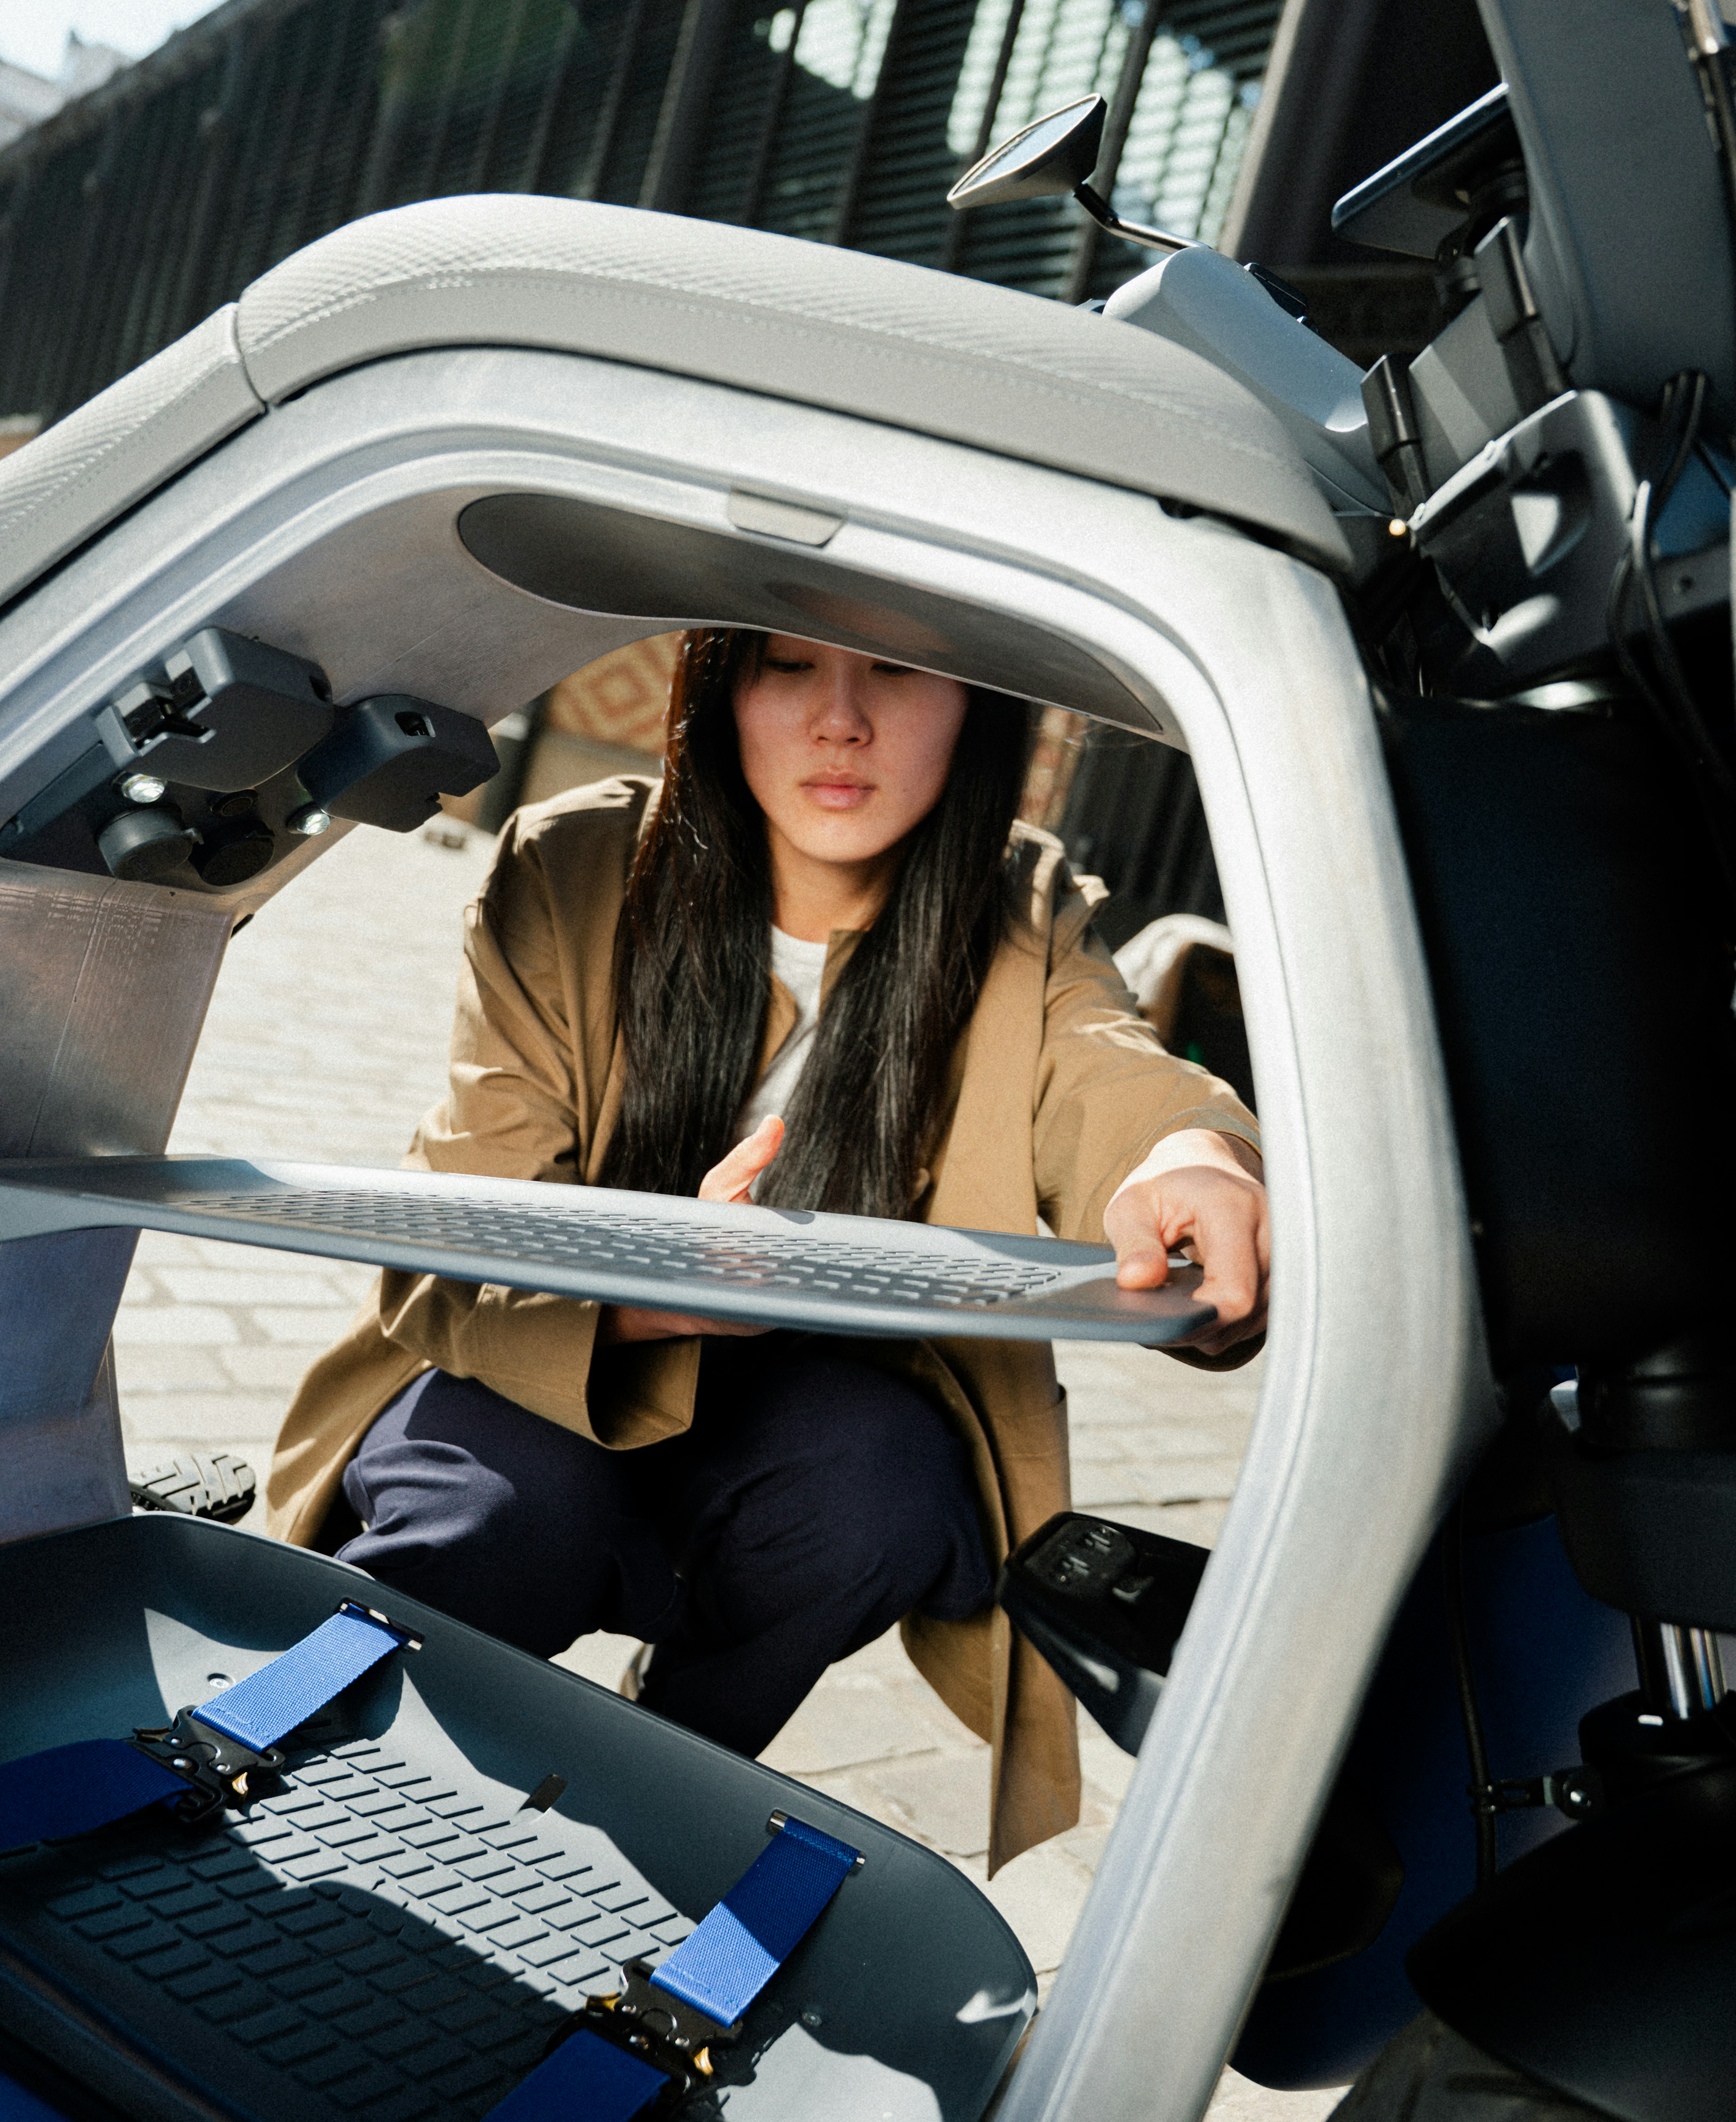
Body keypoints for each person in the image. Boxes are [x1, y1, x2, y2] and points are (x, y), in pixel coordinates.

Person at [267, 629, 1267, 1870]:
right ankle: (302, 1780)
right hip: (532, 1373)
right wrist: (652, 1298)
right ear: (720, 686)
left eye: (898, 667)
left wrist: (1188, 1155)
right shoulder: (573, 862)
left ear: (980, 702)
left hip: (795, 1426)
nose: (839, 720)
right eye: (788, 665)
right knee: (505, 1516)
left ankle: (648, 1814)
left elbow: (1104, 1064)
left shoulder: (1025, 908)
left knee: (884, 1490)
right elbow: (461, 1226)